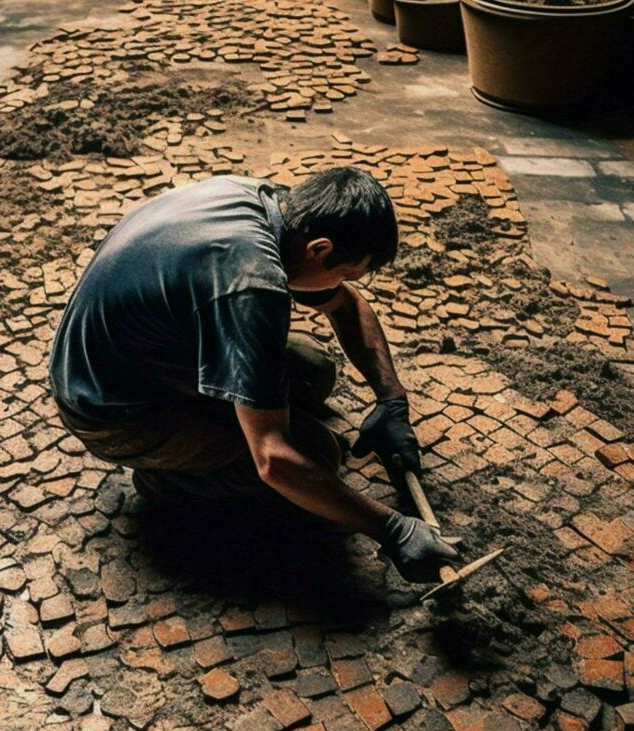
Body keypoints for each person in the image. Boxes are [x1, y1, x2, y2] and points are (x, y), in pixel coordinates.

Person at [49, 166, 458, 583]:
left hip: (141, 357)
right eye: (347, 272)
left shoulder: (274, 207)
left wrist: (391, 398)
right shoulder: (253, 284)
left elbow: (347, 306)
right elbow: (273, 459)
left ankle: (212, 427)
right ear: (318, 249)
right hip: (114, 411)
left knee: (313, 369)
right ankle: (170, 479)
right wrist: (391, 528)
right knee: (314, 455)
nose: (347, 284)